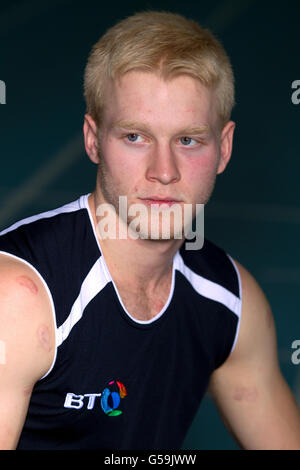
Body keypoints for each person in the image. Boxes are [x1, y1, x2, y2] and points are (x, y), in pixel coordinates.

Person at [0, 10, 300, 451]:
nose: (164, 172)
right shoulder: (21, 300)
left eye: (188, 140)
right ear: (93, 139)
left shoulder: (230, 304)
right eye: (136, 137)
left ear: (225, 148)